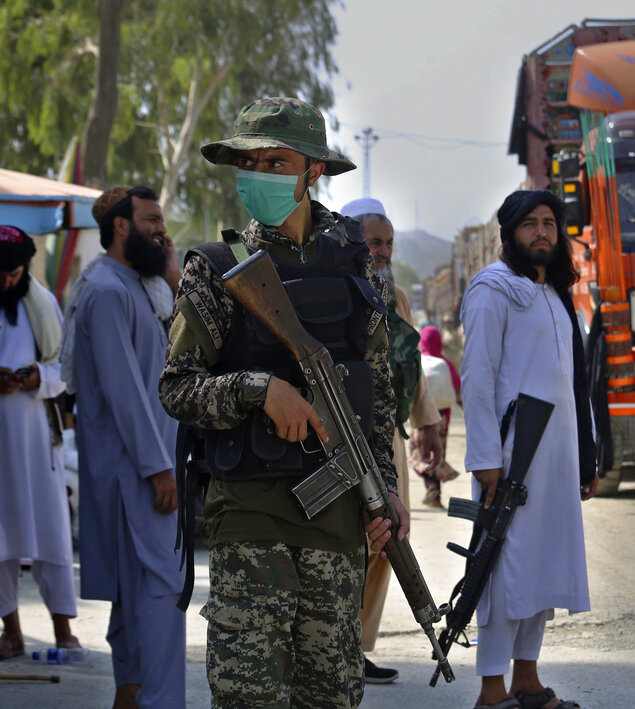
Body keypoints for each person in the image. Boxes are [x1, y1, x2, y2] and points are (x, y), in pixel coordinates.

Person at [159, 97, 404, 708]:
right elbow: (178, 388)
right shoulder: (216, 270)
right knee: (249, 695)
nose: (260, 173)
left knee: (330, 695)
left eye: (277, 160)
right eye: (251, 161)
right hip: (249, 515)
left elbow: (376, 393)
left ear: (313, 170)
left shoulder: (359, 268)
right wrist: (258, 389)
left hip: (337, 520)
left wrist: (385, 488)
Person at [460, 190, 598, 709]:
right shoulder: (493, 289)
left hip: (557, 459)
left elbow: (575, 384)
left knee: (542, 566)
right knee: (502, 570)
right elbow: (477, 378)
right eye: (530, 224)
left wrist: (586, 457)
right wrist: (485, 458)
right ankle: (492, 690)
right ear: (509, 233)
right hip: (512, 458)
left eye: (549, 223)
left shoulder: (556, 293)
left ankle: (527, 680)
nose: (541, 232)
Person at [69, 185, 185, 708]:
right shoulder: (108, 291)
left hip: (143, 466)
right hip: (136, 471)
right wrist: (159, 468)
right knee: (163, 586)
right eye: (152, 220)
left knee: (138, 588)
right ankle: (160, 700)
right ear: (121, 226)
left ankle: (132, 691)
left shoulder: (136, 285)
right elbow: (124, 389)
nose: (162, 230)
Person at [339, 196, 444, 682]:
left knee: (389, 541)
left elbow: (409, 365)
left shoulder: (395, 297)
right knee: (352, 544)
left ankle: (356, 649)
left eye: (388, 243)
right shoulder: (335, 287)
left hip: (390, 438)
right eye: (373, 242)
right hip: (343, 438)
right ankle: (332, 649)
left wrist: (427, 422)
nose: (381, 252)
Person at [0, 226, 81, 661]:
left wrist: (35, 378)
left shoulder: (44, 304)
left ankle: (63, 629)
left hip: (38, 443)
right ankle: (11, 632)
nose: (5, 282)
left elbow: (64, 369)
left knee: (50, 533)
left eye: (12, 274)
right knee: (0, 539)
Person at [412, 324, 462, 508]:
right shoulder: (446, 363)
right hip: (443, 418)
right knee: (438, 453)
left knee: (419, 452)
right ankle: (435, 494)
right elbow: (458, 391)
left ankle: (431, 485)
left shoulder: (417, 362)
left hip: (421, 417)